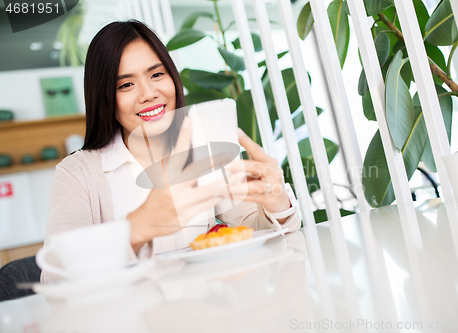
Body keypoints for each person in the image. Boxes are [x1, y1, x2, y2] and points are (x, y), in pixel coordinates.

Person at [41, 20, 300, 283]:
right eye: (125, 85)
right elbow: (54, 274)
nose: (149, 93)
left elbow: (254, 230)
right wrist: (138, 227)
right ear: (104, 97)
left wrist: (276, 204)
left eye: (156, 75)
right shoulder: (77, 174)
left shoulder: (204, 147)